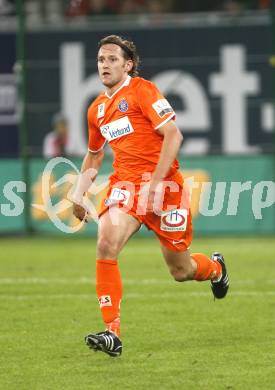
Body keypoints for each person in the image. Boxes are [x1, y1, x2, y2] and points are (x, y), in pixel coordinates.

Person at [72, 35, 229, 357]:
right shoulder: (97, 109)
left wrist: (156, 184)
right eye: (101, 59)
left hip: (165, 188)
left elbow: (174, 135)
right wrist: (77, 193)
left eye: (112, 59)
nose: (105, 64)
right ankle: (111, 332)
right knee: (106, 242)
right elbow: (94, 155)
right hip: (126, 187)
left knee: (181, 271)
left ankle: (215, 268)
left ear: (128, 64)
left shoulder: (143, 91)